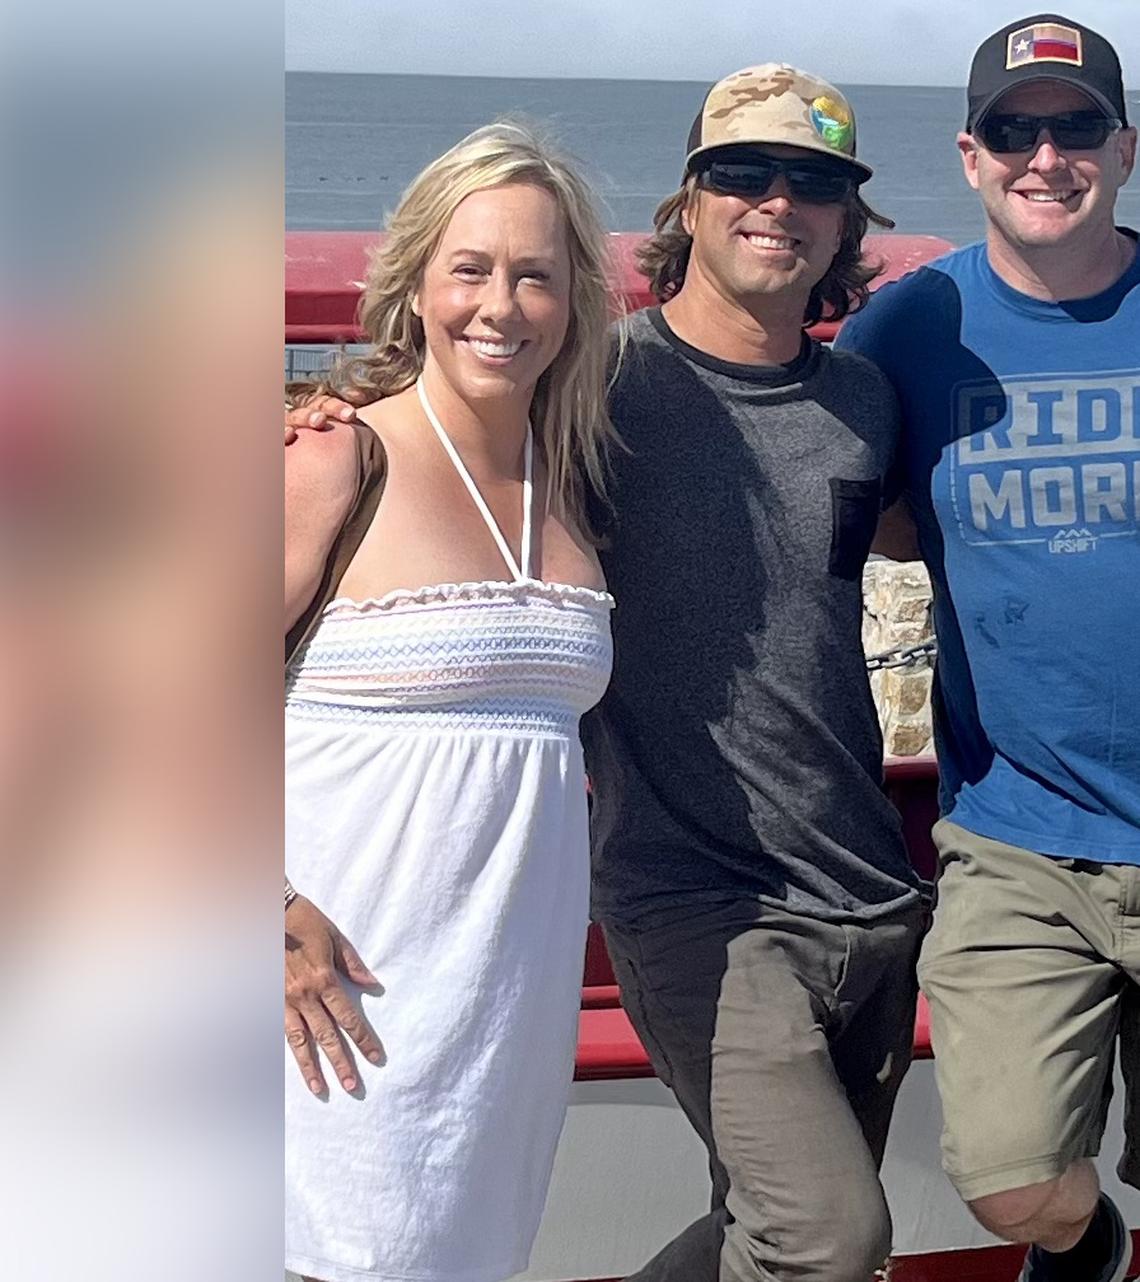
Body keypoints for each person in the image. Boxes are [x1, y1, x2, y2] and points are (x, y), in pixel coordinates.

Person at [580, 65, 927, 1282]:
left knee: (769, 1231)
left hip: (870, 890)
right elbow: (436, 445)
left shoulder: (864, 401)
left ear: (845, 221)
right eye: (741, 172)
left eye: (814, 182)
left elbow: (929, 536)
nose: (778, 201)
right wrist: (337, 412)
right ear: (689, 203)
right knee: (829, 1235)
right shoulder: (593, 388)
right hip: (697, 897)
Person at [284, 122, 617, 1282]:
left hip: (497, 1016)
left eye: (535, 275)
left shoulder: (573, 482)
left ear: (574, 300)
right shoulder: (334, 459)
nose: (501, 305)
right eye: (470, 268)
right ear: (417, 283)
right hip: (332, 993)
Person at [835, 14, 1139, 1282]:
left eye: (1077, 128)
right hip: (1022, 832)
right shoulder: (911, 325)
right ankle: (1087, 1246)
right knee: (1012, 1180)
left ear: (1124, 150)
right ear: (971, 156)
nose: (1046, 157)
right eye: (1014, 130)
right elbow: (796, 462)